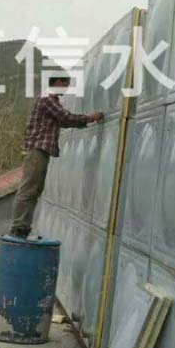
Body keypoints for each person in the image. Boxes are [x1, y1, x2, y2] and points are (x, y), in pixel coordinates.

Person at [10, 75, 104, 238]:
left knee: (34, 189)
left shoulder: (48, 99)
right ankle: (19, 227)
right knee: (28, 189)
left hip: (40, 151)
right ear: (58, 82)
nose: (66, 89)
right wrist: (91, 117)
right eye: (66, 85)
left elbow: (64, 122)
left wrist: (85, 121)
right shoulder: (48, 98)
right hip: (37, 150)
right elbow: (66, 117)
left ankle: (23, 227)